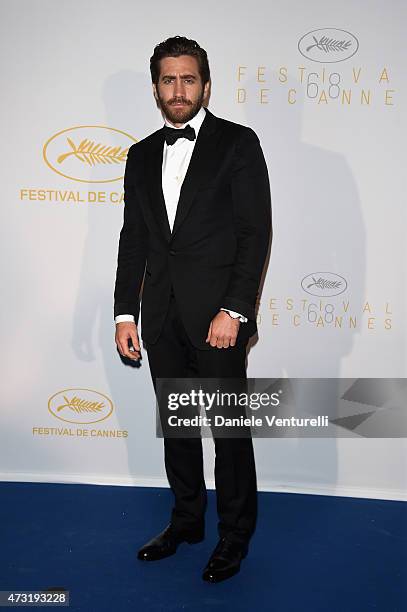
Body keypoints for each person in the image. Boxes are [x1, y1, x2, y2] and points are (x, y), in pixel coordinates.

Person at [114, 35, 272, 583]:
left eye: (187, 79)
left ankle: (235, 534)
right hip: (160, 317)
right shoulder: (139, 155)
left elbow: (255, 234)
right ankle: (186, 521)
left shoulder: (238, 143)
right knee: (178, 428)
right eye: (167, 80)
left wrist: (235, 310)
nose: (177, 90)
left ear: (205, 84)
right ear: (156, 87)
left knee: (227, 431)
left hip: (218, 320)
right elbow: (132, 240)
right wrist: (124, 314)